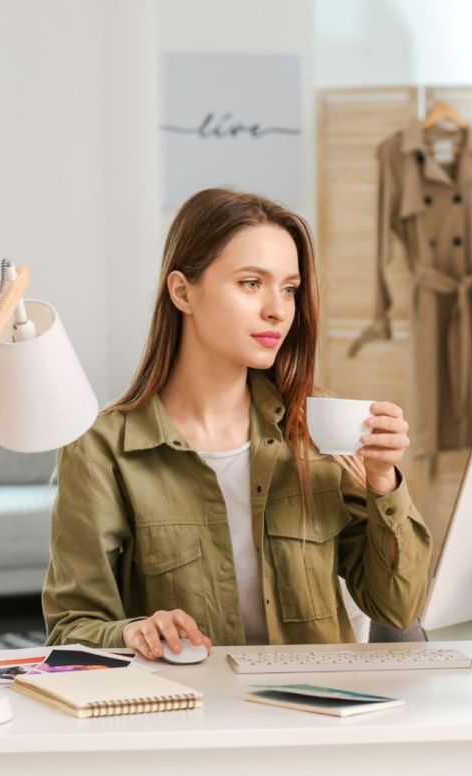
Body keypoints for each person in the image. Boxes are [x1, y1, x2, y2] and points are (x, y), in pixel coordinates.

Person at [43, 188, 432, 660]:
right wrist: (134, 632)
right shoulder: (102, 449)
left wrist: (383, 480)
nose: (278, 309)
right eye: (251, 283)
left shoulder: (317, 426)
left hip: (319, 714)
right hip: (189, 719)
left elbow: (397, 607)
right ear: (183, 291)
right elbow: (71, 629)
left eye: (289, 288)